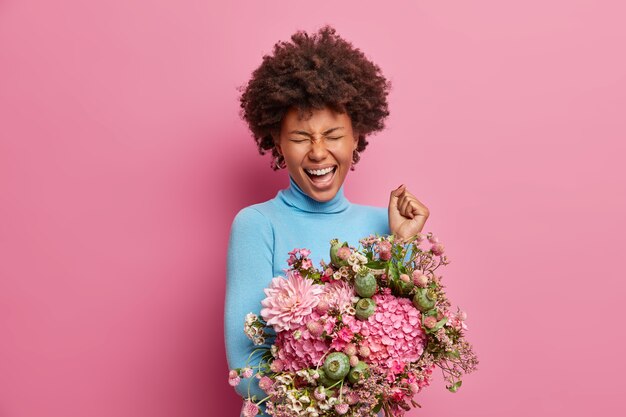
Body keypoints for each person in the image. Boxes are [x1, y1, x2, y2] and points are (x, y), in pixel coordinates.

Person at [224, 25, 430, 417]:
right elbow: (246, 372)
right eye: (301, 137)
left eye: (333, 134)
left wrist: (402, 245)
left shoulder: (384, 227)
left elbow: (404, 354)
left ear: (357, 137)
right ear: (278, 143)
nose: (318, 152)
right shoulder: (257, 224)